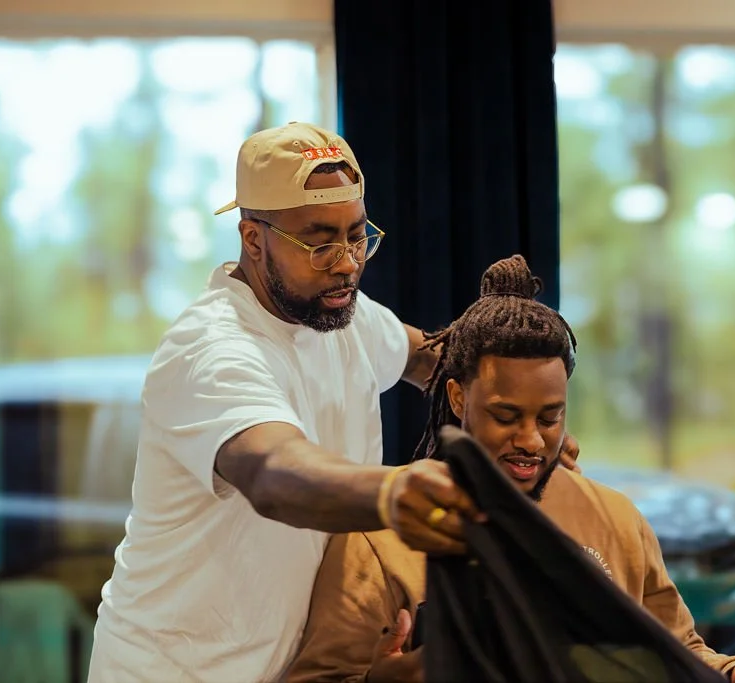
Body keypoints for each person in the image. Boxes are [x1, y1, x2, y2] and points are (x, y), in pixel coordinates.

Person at [86, 123, 577, 683]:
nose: (346, 263)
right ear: (253, 239)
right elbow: (275, 472)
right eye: (319, 242)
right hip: (176, 670)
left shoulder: (343, 314)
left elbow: (434, 360)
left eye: (356, 235)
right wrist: (395, 492)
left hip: (294, 663)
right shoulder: (213, 351)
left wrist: (518, 422)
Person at [285, 255, 735, 683]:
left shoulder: (615, 519)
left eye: (550, 417)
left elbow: (676, 650)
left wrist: (731, 673)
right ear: (459, 397)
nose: (530, 440)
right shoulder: (380, 540)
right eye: (505, 416)